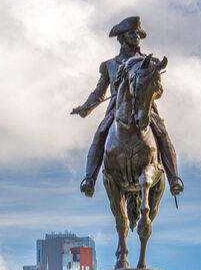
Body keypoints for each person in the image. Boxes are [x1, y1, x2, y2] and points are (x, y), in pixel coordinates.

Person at [71, 16, 182, 197]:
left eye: (138, 34)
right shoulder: (109, 65)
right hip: (117, 110)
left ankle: (174, 178)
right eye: (133, 33)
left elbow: (159, 91)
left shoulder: (149, 62)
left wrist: (151, 91)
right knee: (100, 133)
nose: (137, 36)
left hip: (144, 108)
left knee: (162, 132)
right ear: (122, 37)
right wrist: (86, 108)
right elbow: (100, 93)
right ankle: (89, 179)